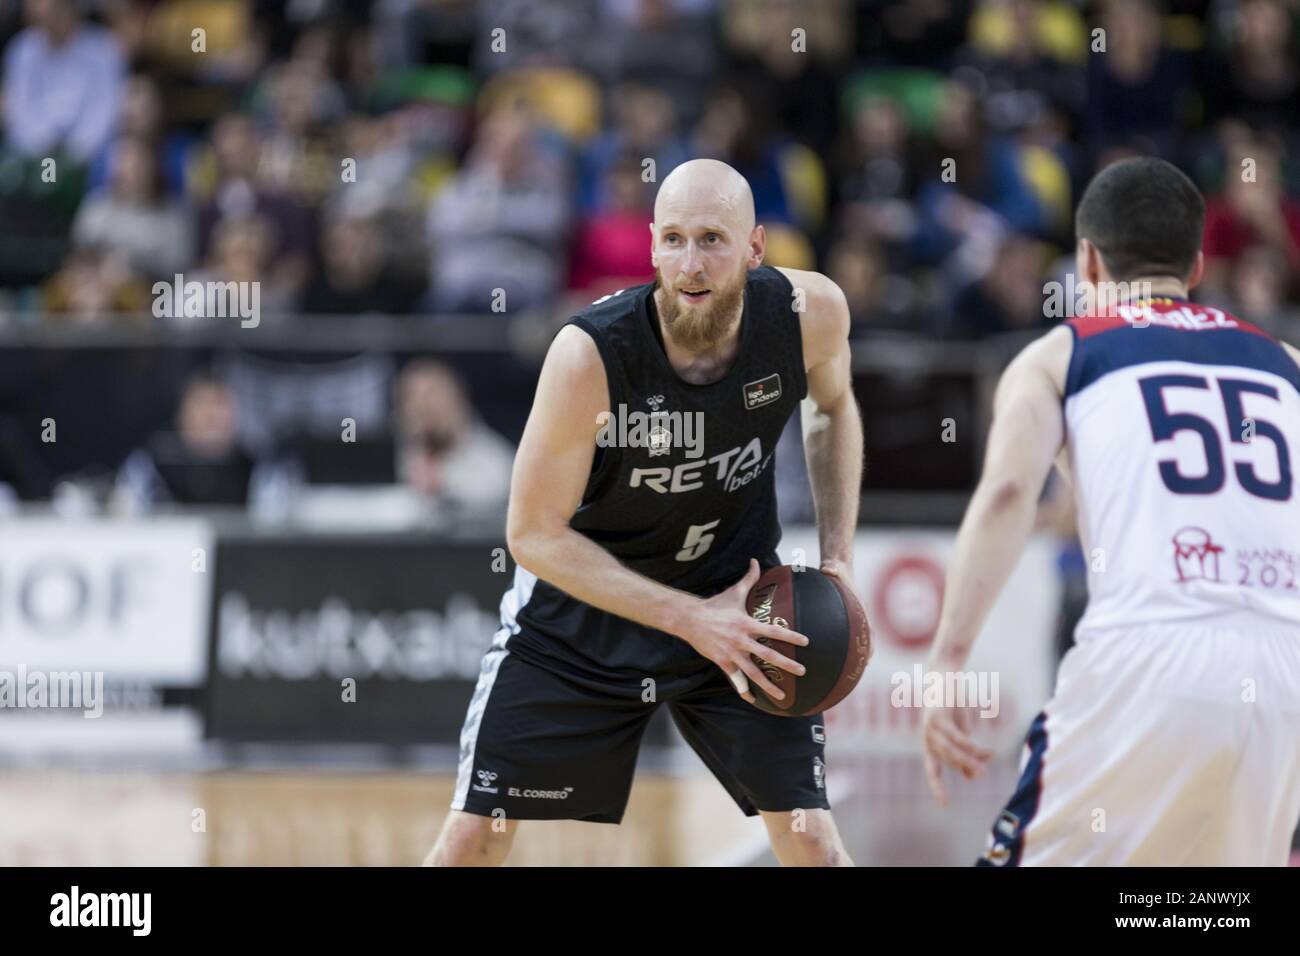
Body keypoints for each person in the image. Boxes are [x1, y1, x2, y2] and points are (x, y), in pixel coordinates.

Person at [427, 158, 864, 866]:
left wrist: (838, 558)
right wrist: (690, 621)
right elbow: (531, 533)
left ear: (755, 248)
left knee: (812, 839)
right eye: (675, 240)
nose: (691, 264)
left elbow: (834, 410)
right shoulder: (589, 356)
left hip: (739, 603)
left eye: (714, 241)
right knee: (474, 838)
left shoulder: (809, 314)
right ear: (653, 243)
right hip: (583, 619)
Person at [922, 157, 1300, 866]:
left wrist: (945, 661)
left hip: (1151, 655)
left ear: (1087, 262)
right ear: (1195, 266)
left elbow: (1007, 494)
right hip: (1286, 673)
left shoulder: (1062, 354)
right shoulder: (1286, 362)